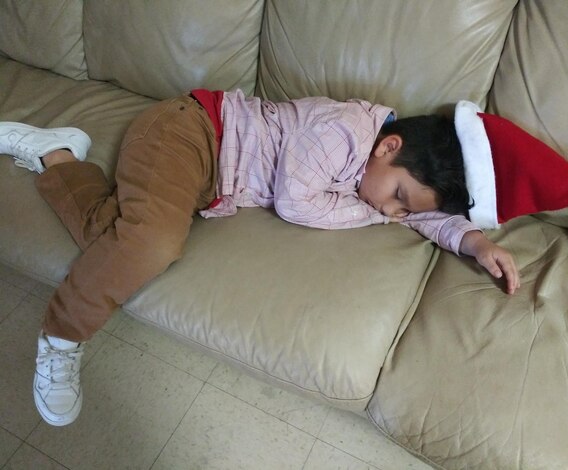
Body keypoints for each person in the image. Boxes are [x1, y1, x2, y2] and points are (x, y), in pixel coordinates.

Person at [0, 89, 519, 426]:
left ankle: (56, 153)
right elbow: (297, 201)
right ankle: (61, 334)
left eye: (398, 208)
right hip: (189, 132)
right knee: (151, 245)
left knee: (113, 237)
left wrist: (474, 242)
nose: (389, 210)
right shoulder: (346, 130)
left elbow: (418, 211)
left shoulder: (386, 176)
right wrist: (379, 216)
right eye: (397, 197)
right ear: (389, 147)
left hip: (208, 181)